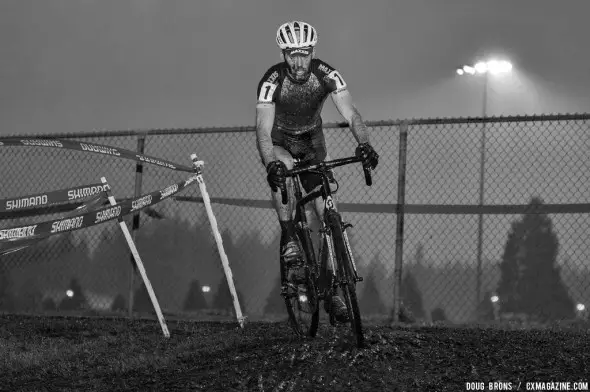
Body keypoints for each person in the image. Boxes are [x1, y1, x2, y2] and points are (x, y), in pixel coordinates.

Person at [255, 21, 379, 323]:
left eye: (305, 54)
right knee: (282, 170)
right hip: (280, 141)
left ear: (312, 51)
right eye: (292, 55)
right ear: (284, 54)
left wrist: (365, 143)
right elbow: (262, 129)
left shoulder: (326, 74)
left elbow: (351, 112)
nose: (299, 62)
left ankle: (334, 289)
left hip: (312, 143)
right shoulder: (272, 80)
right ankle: (290, 239)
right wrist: (270, 161)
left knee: (326, 209)